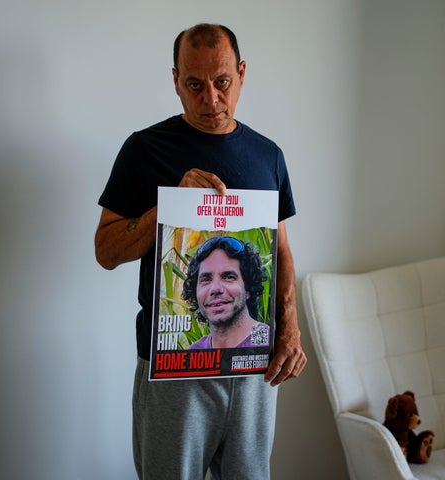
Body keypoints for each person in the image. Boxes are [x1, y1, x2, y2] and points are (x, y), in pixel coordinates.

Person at [94, 23, 306, 480]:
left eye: (222, 82)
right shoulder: (144, 149)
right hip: (175, 372)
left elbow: (282, 249)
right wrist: (168, 205)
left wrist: (289, 327)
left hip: (254, 368)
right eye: (194, 84)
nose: (210, 98)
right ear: (175, 81)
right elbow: (106, 249)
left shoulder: (268, 155)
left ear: (242, 74)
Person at [184, 236, 271, 349]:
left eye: (228, 277)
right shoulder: (194, 352)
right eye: (206, 279)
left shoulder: (269, 342)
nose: (215, 289)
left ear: (248, 288)